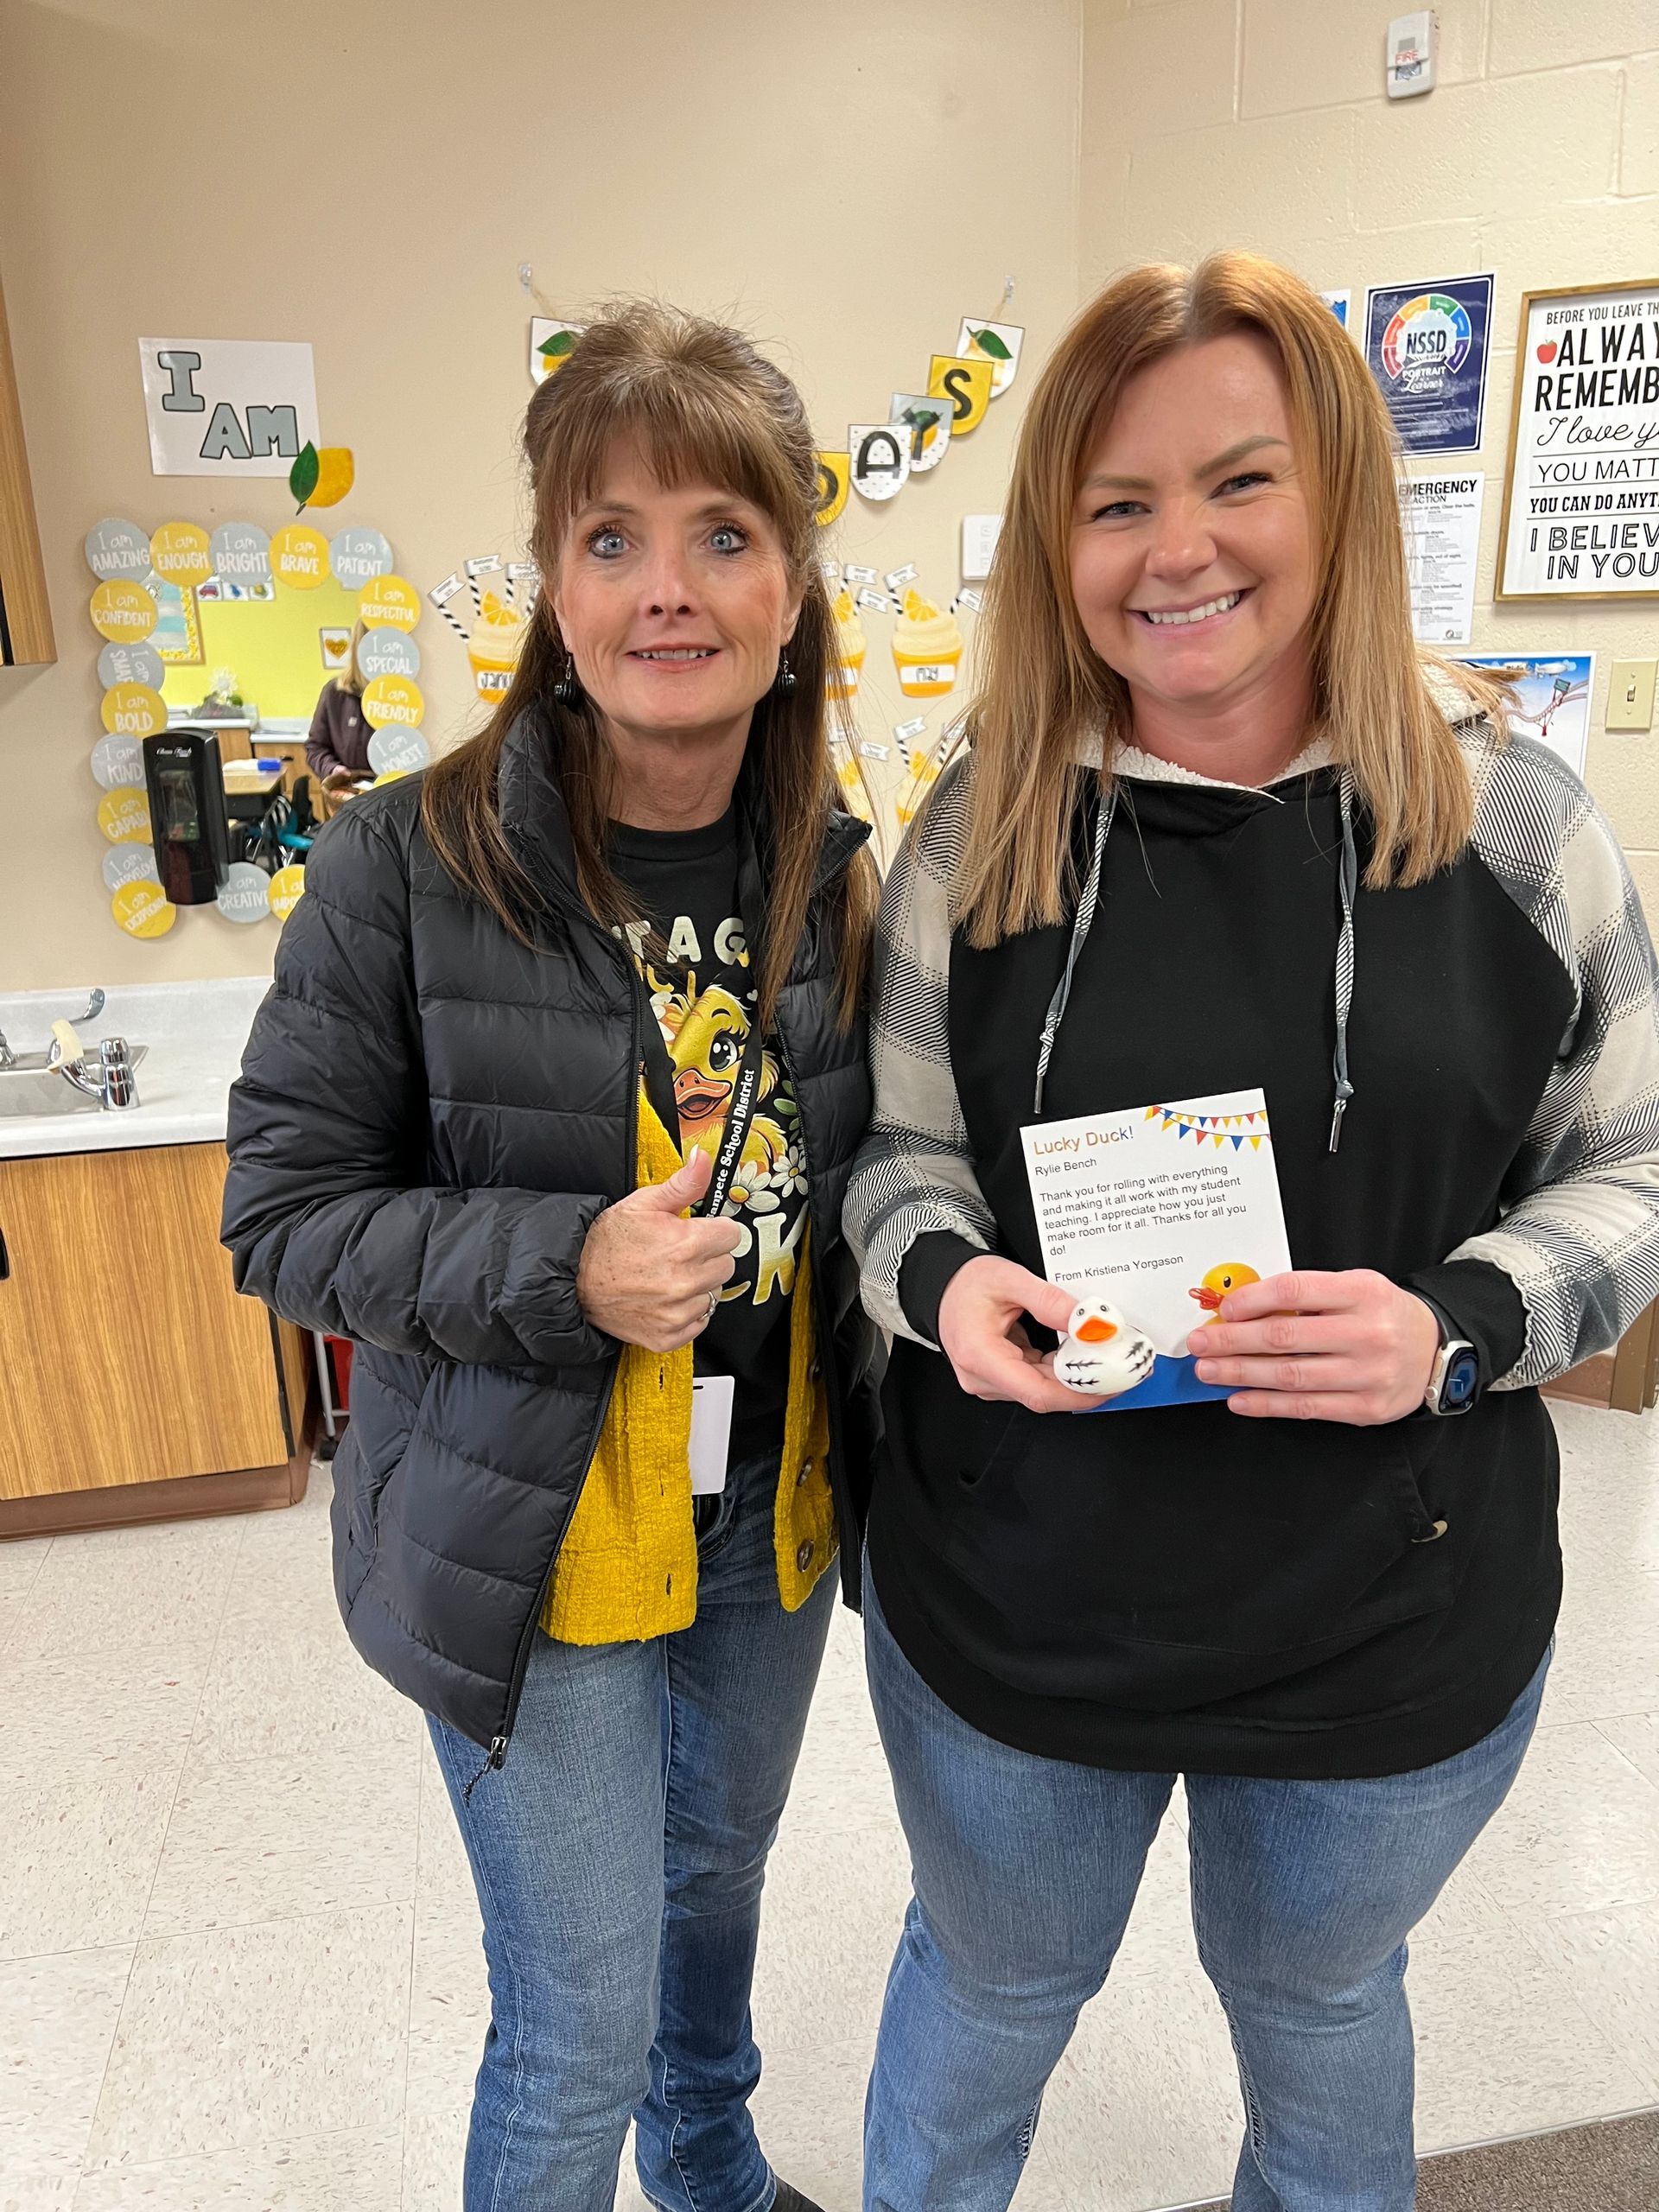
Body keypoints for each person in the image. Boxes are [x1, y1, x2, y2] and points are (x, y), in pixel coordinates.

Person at [843, 251, 1659, 2212]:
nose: (1175, 549)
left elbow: (1634, 1169)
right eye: (1116, 501)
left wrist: (1456, 1320)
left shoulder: (1514, 823)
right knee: (990, 1979)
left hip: (1383, 1618)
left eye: (1239, 480)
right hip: (1022, 1611)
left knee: (1317, 2007)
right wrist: (949, 1285)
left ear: (1342, 500)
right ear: (1057, 542)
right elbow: (884, 1161)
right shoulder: (982, 830)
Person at [223, 302, 880, 2212]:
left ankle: (710, 2158)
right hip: (536, 1520)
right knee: (576, 2001)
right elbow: (281, 1214)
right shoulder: (403, 865)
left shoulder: (835, 868)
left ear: (794, 579)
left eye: (722, 535)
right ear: (549, 581)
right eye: (611, 538)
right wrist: (564, 1267)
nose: (665, 590)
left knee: (717, 1881)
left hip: (763, 1511)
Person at [304, 619, 374, 791]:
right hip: (351, 795)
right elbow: (315, 747)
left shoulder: (410, 699)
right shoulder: (335, 693)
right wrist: (332, 769)